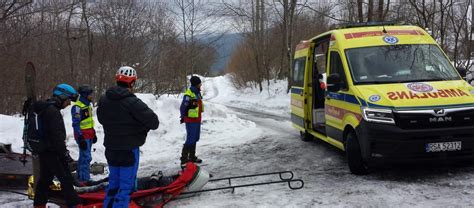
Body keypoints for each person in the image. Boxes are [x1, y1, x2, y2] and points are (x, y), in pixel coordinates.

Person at [97, 66, 159, 207]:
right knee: (125, 188)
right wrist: (139, 127)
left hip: (111, 148)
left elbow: (101, 119)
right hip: (128, 150)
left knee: (113, 185)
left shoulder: (104, 99)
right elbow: (154, 122)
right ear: (132, 83)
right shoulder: (133, 102)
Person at [33, 83, 81, 208]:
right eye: (69, 100)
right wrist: (64, 154)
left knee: (44, 180)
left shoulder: (44, 109)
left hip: (44, 150)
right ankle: (75, 205)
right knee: (66, 180)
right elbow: (57, 137)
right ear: (62, 97)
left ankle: (39, 205)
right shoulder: (53, 112)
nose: (69, 103)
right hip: (53, 152)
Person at [71, 85, 97, 183]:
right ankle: (85, 180)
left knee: (83, 157)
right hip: (83, 135)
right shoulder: (77, 107)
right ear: (85, 95)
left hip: (89, 133)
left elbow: (89, 121)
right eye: (90, 94)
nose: (92, 96)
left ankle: (80, 177)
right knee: (86, 157)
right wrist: (80, 137)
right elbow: (76, 123)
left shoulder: (88, 105)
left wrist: (93, 133)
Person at [179, 76, 204, 166]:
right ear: (196, 84)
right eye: (200, 83)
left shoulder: (197, 93)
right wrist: (182, 117)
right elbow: (183, 107)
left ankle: (192, 156)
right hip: (191, 120)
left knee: (195, 138)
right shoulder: (188, 94)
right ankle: (184, 159)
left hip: (197, 119)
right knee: (190, 138)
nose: (201, 85)